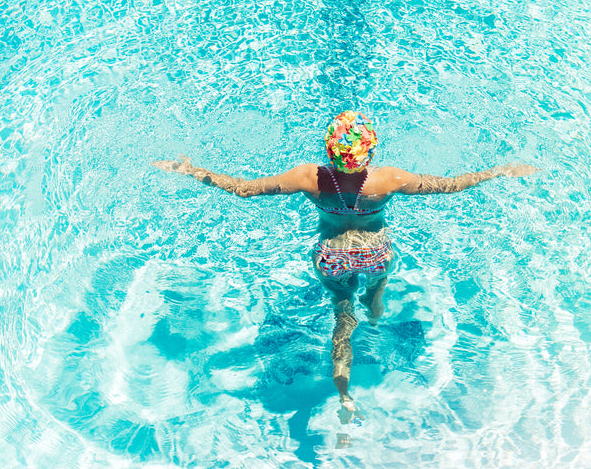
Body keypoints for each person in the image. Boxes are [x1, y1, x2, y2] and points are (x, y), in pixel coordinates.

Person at [152, 111, 537, 417]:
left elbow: (245, 190)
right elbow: (448, 185)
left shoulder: (310, 177)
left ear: (328, 150)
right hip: (374, 251)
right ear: (369, 153)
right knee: (375, 288)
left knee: (341, 315)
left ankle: (343, 384)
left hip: (333, 255)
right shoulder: (387, 180)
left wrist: (190, 170)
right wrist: (498, 172)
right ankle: (375, 308)